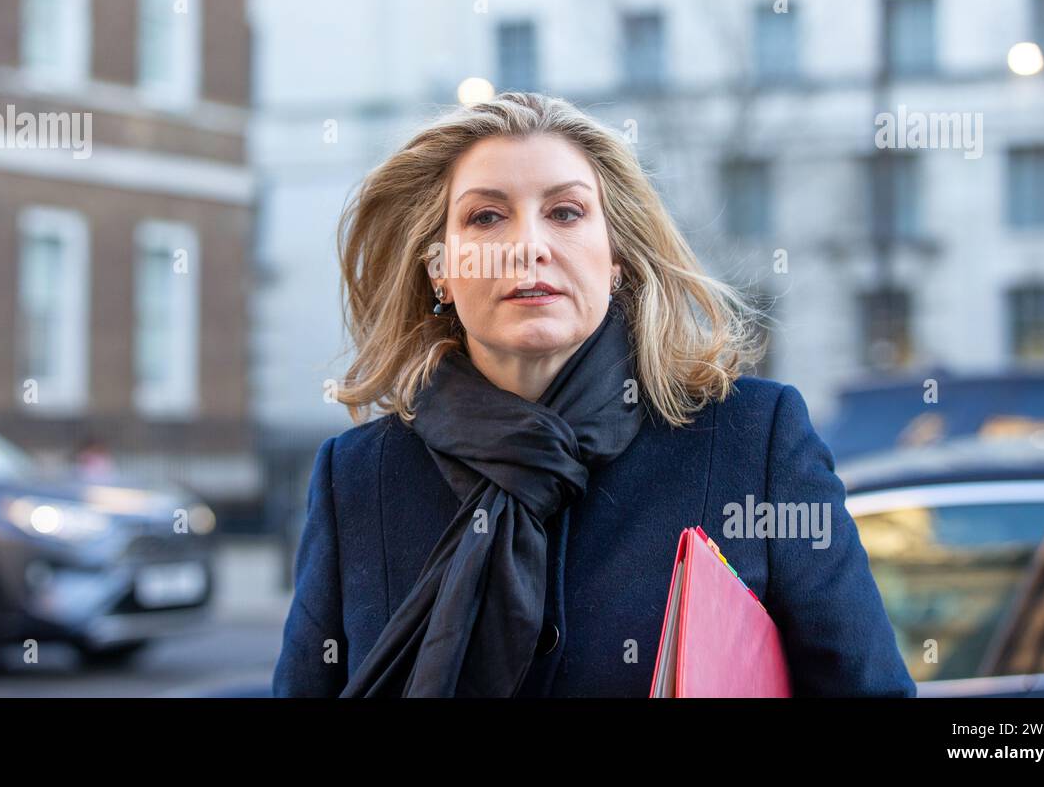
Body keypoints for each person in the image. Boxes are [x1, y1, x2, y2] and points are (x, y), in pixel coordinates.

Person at [272, 91, 916, 697]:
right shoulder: (358, 478)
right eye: (487, 216)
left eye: (566, 212)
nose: (528, 247)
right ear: (440, 269)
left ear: (614, 261)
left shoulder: (756, 439)